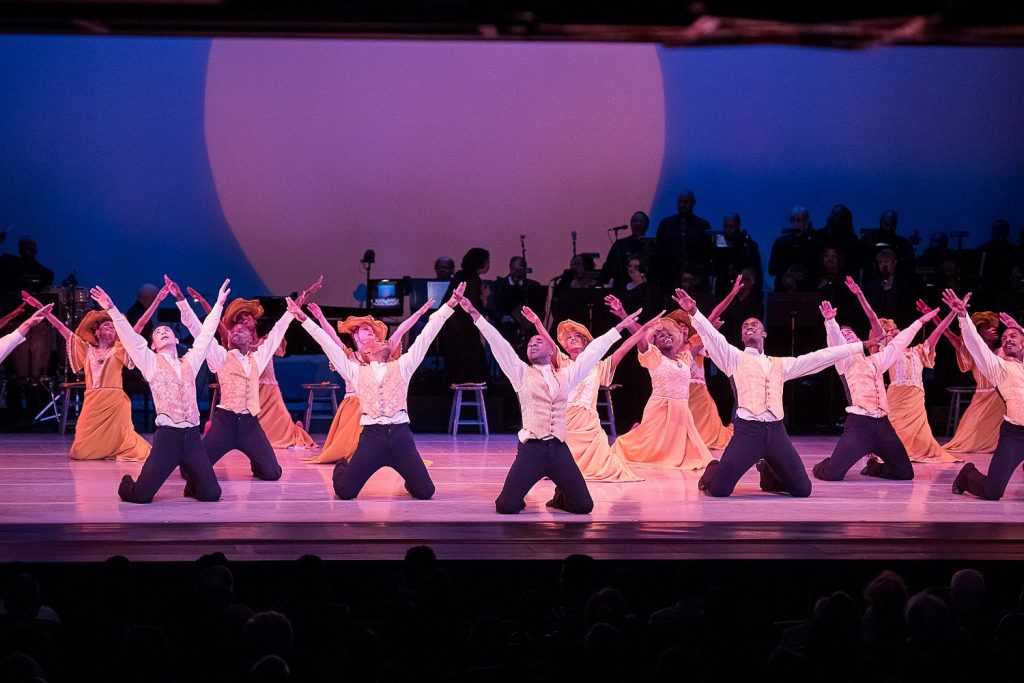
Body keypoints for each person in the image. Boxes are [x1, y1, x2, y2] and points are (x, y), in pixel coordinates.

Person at [457, 293, 644, 513]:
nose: (533, 344)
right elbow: (499, 345)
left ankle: (559, 498)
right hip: (532, 449)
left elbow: (593, 352)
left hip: (559, 449)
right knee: (507, 506)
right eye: (530, 343)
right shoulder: (521, 373)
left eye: (538, 341)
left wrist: (620, 327)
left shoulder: (567, 374)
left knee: (584, 506)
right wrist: (475, 314)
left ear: (551, 350)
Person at [674, 288, 866, 497]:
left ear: (764, 333)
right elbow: (713, 337)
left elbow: (818, 357)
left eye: (755, 324)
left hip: (776, 432)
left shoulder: (780, 364)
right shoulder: (734, 358)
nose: (750, 327)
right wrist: (694, 312)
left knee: (802, 490)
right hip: (748, 431)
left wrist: (858, 347)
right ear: (741, 334)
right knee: (719, 490)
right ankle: (713, 468)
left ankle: (767, 469)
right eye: (745, 325)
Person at [290, 282, 466, 500]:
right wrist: (304, 319)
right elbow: (328, 343)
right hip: (372, 437)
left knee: (426, 492)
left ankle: (410, 480)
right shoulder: (355, 370)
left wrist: (449, 305)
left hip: (401, 436)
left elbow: (427, 335)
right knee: (345, 492)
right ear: (366, 351)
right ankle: (343, 466)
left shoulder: (403, 366)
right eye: (376, 340)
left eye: (382, 339)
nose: (382, 340)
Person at [92, 280, 229, 503]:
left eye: (167, 330)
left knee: (212, 494)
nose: (163, 332)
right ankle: (129, 483)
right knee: (140, 497)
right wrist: (111, 309)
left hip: (192, 438)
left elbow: (205, 337)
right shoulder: (150, 362)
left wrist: (219, 304)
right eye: (158, 332)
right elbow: (130, 337)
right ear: (153, 344)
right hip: (168, 438)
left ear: (176, 338)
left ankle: (194, 483)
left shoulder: (190, 362)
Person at [169, 275, 296, 481]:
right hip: (225, 423)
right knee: (190, 472)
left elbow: (276, 334)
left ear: (249, 337)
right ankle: (193, 459)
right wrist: (182, 301)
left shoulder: (258, 357)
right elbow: (199, 331)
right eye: (232, 331)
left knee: (273, 473)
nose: (236, 332)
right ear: (227, 338)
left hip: (249, 424)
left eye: (241, 330)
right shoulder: (220, 356)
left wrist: (292, 312)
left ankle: (257, 460)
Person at [21, 288, 163, 461]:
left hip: (115, 401)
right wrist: (40, 307)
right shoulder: (86, 349)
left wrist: (156, 302)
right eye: (106, 325)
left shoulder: (119, 349)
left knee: (126, 443)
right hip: (93, 400)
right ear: (97, 332)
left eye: (113, 326)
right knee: (79, 452)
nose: (110, 327)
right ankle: (106, 449)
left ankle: (115, 448)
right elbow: (60, 328)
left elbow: (139, 325)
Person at [811, 300, 940, 481]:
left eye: (850, 335)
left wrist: (921, 321)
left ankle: (874, 468)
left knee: (904, 473)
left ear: (859, 338)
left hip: (883, 426)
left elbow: (899, 343)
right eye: (844, 336)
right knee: (833, 474)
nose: (847, 337)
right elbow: (835, 345)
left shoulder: (876, 360)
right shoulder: (844, 363)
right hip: (859, 426)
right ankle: (825, 465)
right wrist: (831, 323)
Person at [188, 278, 323, 449]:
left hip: (270, 393)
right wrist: (204, 303)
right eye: (240, 319)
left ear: (255, 320)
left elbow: (285, 319)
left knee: (284, 435)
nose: (244, 320)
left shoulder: (266, 343)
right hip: (247, 394)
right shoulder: (236, 341)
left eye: (247, 316)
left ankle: (293, 430)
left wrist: (306, 294)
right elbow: (217, 326)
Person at [302, 302, 435, 465]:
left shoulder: (383, 350)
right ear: (355, 335)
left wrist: (419, 313)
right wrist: (320, 317)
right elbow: (331, 338)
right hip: (353, 405)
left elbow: (401, 330)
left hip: (375, 404)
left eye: (372, 330)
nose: (371, 331)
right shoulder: (349, 356)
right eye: (366, 329)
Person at [523, 305, 646, 483]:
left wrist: (641, 330)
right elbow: (549, 344)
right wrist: (537, 323)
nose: (572, 339)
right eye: (569, 338)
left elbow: (622, 350)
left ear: (586, 342)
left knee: (607, 467)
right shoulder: (563, 362)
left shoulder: (600, 366)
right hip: (565, 419)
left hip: (589, 422)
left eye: (577, 336)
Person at [847, 277, 959, 463]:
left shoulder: (918, 351)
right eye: (888, 331)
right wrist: (859, 294)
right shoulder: (886, 350)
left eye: (894, 328)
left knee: (922, 445)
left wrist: (954, 313)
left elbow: (938, 332)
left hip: (916, 399)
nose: (893, 331)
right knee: (892, 435)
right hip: (896, 399)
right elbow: (873, 318)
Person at [607, 305, 713, 471]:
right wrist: (623, 313)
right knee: (648, 447)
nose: (666, 336)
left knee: (692, 455)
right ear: (654, 342)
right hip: (660, 408)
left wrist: (705, 317)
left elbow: (703, 334)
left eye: (669, 334)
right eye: (660, 335)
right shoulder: (653, 357)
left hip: (682, 410)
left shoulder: (684, 358)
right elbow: (639, 337)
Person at [946, 292, 1024, 500]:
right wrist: (963, 317)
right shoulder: (999, 367)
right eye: (1004, 337)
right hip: (1015, 435)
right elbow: (976, 346)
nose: (1007, 339)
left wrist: (1021, 328)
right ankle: (966, 475)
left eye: (1013, 336)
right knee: (993, 491)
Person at [925, 302, 1006, 454]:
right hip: (982, 397)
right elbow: (948, 333)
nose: (994, 329)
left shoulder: (1002, 351)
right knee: (965, 439)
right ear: (979, 332)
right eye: (987, 327)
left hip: (1001, 399)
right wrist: (934, 316)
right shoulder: (972, 351)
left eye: (993, 326)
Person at [440, 247, 490, 385]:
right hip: (462, 328)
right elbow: (471, 306)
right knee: (471, 362)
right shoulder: (473, 279)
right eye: (487, 261)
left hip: (452, 325)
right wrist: (484, 298)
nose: (488, 264)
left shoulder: (460, 275)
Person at [654, 190, 711, 289]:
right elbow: (659, 248)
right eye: (680, 201)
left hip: (694, 276)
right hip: (670, 276)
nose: (682, 205)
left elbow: (706, 252)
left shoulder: (702, 225)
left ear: (693, 203)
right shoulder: (666, 223)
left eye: (686, 202)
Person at [712, 213, 761, 298]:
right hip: (723, 289)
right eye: (725, 227)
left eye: (731, 227)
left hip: (743, 289)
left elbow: (755, 270)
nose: (727, 230)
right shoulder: (719, 244)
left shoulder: (748, 245)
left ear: (738, 226)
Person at [768, 206, 815, 291]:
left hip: (807, 291)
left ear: (806, 221)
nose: (796, 223)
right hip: (783, 290)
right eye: (793, 220)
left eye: (799, 220)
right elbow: (772, 270)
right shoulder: (780, 242)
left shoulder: (813, 242)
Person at [600, 211, 651, 288]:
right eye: (635, 221)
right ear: (631, 225)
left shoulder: (651, 245)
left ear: (647, 226)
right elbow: (608, 267)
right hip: (622, 286)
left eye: (641, 221)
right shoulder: (620, 244)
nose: (638, 224)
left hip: (645, 287)